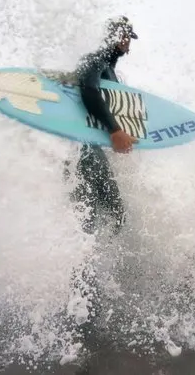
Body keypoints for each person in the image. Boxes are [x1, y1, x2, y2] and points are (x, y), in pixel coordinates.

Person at [68, 16, 139, 235]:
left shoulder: (109, 70)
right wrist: (115, 130)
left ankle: (93, 265)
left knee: (112, 215)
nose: (128, 43)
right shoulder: (96, 58)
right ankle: (78, 266)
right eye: (126, 36)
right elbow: (88, 89)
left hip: (90, 149)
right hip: (83, 150)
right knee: (99, 215)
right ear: (117, 37)